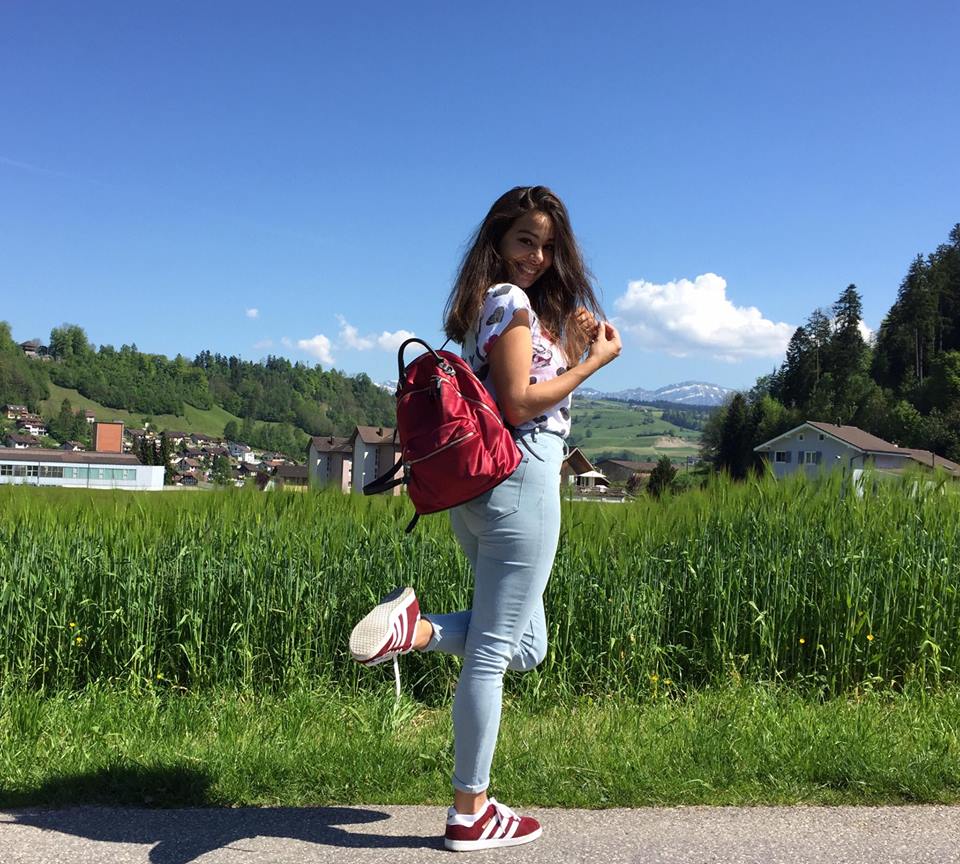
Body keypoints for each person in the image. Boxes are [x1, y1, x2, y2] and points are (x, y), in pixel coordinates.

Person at [349, 185, 621, 851]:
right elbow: (520, 403)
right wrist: (593, 363)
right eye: (526, 239)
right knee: (497, 653)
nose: (537, 255)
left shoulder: (483, 309)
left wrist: (567, 341)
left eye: (548, 246)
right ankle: (470, 811)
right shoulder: (511, 301)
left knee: (528, 646)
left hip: (479, 489)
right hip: (522, 477)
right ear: (497, 239)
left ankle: (417, 630)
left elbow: (506, 391)